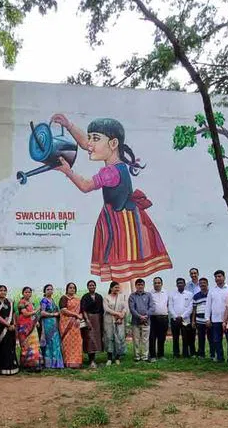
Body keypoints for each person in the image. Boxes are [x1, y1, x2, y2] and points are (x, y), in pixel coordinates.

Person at [51, 114, 172, 294]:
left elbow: (85, 186)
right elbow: (85, 144)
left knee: (122, 275)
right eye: (90, 138)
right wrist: (69, 125)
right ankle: (130, 307)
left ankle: (125, 308)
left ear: (113, 143)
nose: (89, 144)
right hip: (126, 219)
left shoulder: (110, 172)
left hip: (119, 223)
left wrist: (68, 171)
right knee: (129, 274)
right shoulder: (119, 166)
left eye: (95, 139)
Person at [0, 285, 19, 375]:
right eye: (1, 290)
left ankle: (11, 367)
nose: (3, 292)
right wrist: (7, 324)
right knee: (1, 347)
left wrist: (14, 324)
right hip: (0, 329)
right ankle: (1, 368)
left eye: (4, 290)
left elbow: (13, 314)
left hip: (10, 329)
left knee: (10, 347)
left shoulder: (9, 301)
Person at [209, 270, 228, 364]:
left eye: (219, 276)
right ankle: (220, 358)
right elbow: (208, 305)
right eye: (216, 277)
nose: (217, 278)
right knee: (216, 340)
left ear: (224, 277)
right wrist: (207, 318)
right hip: (215, 320)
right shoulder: (212, 290)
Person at [17, 287, 43, 372]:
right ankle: (26, 365)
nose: (28, 294)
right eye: (26, 292)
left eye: (29, 292)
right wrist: (37, 310)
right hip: (24, 327)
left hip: (32, 326)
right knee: (26, 345)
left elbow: (32, 315)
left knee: (34, 344)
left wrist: (36, 321)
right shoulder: (21, 302)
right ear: (23, 293)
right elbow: (25, 314)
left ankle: (35, 364)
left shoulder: (31, 303)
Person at [59, 283, 84, 369]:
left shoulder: (78, 300)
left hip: (76, 324)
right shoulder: (64, 298)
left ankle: (76, 362)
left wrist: (78, 319)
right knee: (67, 342)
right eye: (70, 288)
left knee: (77, 341)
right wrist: (76, 315)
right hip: (66, 324)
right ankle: (67, 362)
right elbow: (63, 310)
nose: (72, 289)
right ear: (67, 289)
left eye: (73, 288)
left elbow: (81, 311)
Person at [39, 284, 65, 369]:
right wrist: (53, 314)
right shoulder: (44, 300)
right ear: (45, 291)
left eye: (51, 289)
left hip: (54, 323)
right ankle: (48, 363)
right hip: (47, 323)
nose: (50, 291)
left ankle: (57, 363)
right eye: (48, 289)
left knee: (56, 342)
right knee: (49, 341)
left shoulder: (52, 300)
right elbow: (42, 312)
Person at [80, 280, 104, 368]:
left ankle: (94, 359)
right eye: (90, 285)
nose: (92, 287)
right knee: (89, 338)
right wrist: (87, 320)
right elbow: (83, 310)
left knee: (96, 339)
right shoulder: (85, 297)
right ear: (87, 287)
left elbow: (102, 310)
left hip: (97, 319)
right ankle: (91, 360)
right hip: (89, 318)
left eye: (93, 285)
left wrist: (101, 321)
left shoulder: (99, 297)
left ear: (95, 286)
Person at [103, 281, 128, 365]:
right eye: (115, 287)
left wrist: (121, 315)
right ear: (111, 288)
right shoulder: (106, 297)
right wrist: (117, 314)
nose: (117, 289)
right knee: (109, 338)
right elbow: (106, 309)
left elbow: (125, 307)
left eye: (118, 287)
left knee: (119, 337)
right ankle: (109, 358)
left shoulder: (121, 297)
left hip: (120, 321)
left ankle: (117, 357)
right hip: (109, 320)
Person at [128, 278, 153, 362]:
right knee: (136, 340)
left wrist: (146, 316)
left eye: (142, 285)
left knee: (145, 340)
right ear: (136, 286)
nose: (140, 286)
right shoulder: (132, 296)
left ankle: (145, 357)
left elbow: (151, 307)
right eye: (138, 285)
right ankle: (137, 357)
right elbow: (132, 309)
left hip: (146, 321)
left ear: (144, 285)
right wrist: (140, 317)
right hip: (136, 322)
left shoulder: (148, 295)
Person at [169, 278, 194, 358]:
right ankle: (176, 354)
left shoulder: (190, 294)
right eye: (178, 283)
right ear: (176, 285)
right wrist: (176, 316)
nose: (180, 284)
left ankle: (185, 353)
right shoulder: (172, 294)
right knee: (175, 338)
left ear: (184, 284)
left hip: (185, 320)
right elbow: (170, 307)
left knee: (186, 337)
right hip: (175, 319)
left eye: (181, 283)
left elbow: (190, 307)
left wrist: (182, 316)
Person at [148, 277, 169, 362]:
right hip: (153, 318)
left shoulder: (166, 293)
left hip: (164, 318)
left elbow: (168, 304)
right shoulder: (150, 293)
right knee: (152, 337)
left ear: (162, 284)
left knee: (162, 337)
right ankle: (152, 355)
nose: (157, 284)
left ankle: (161, 355)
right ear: (153, 284)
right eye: (155, 283)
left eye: (159, 283)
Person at [192, 277, 210, 357]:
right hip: (199, 320)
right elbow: (194, 309)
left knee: (211, 338)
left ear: (207, 284)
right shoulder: (196, 296)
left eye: (204, 283)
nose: (202, 284)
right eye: (201, 283)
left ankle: (212, 354)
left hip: (209, 320)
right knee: (201, 338)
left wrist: (209, 319)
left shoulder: (211, 294)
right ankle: (201, 354)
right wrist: (193, 321)